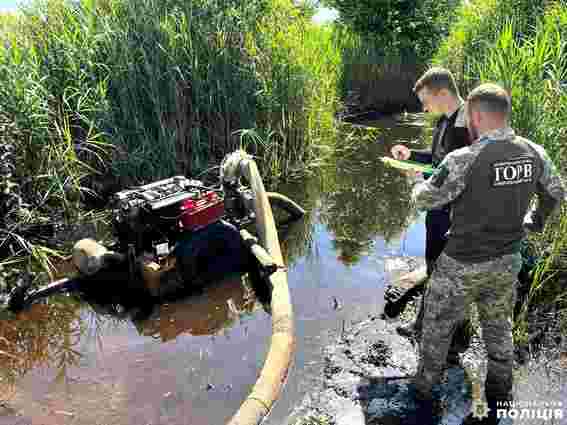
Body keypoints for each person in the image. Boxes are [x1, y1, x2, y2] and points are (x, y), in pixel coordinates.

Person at [411, 83, 565, 424]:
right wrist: (535, 220)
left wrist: (416, 182)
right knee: (498, 327)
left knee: (437, 326)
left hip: (460, 264)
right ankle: (499, 392)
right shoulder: (535, 152)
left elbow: (425, 200)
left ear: (476, 115)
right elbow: (556, 191)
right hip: (507, 260)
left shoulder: (464, 158)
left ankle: (423, 390)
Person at [386, 67, 472, 360]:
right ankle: (422, 327)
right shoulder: (445, 122)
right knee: (434, 270)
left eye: (426, 100)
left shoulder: (464, 129)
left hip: (453, 218)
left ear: (443, 93)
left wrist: (418, 181)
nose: (424, 107)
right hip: (437, 214)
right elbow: (439, 161)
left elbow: (456, 181)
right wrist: (411, 155)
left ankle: (456, 345)